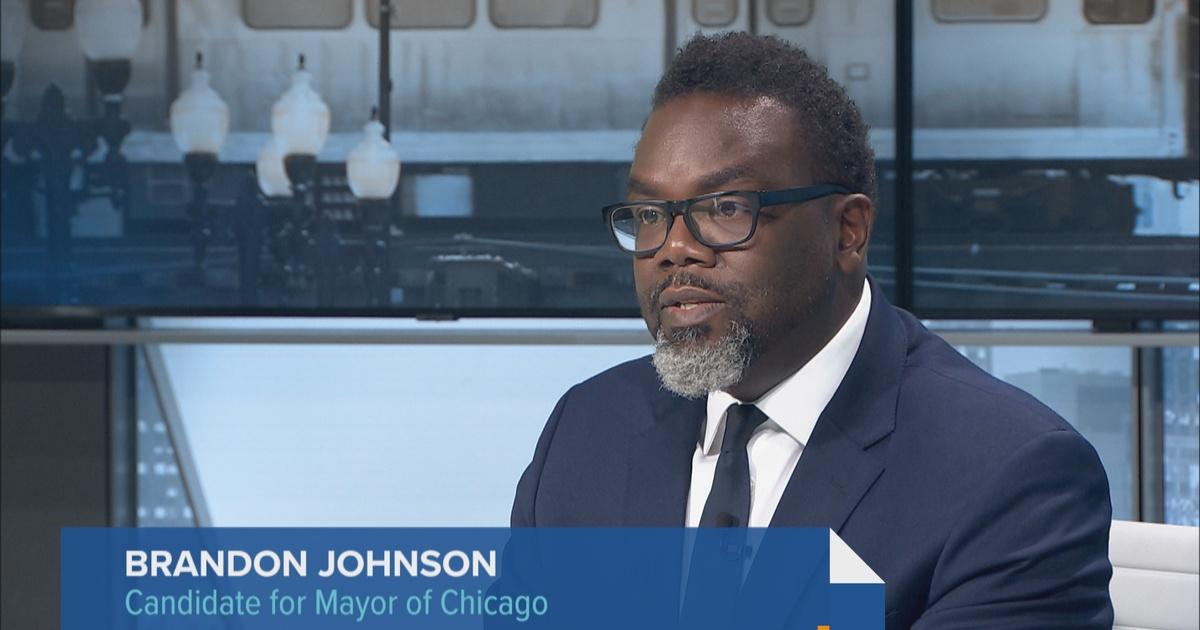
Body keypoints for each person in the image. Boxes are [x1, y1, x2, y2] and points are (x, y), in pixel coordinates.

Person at [511, 32, 1113, 628]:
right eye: (649, 215)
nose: (674, 249)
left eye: (725, 209)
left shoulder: (1011, 475)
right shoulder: (588, 430)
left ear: (847, 230)